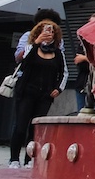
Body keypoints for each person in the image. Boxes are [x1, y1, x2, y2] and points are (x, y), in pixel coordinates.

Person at [7, 20, 67, 167]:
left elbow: (64, 73)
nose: (48, 34)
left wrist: (58, 89)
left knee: (36, 128)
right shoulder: (31, 48)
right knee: (20, 126)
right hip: (26, 92)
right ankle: (14, 159)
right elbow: (23, 63)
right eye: (45, 31)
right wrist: (36, 43)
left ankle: (30, 159)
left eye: (51, 31)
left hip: (45, 95)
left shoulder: (58, 53)